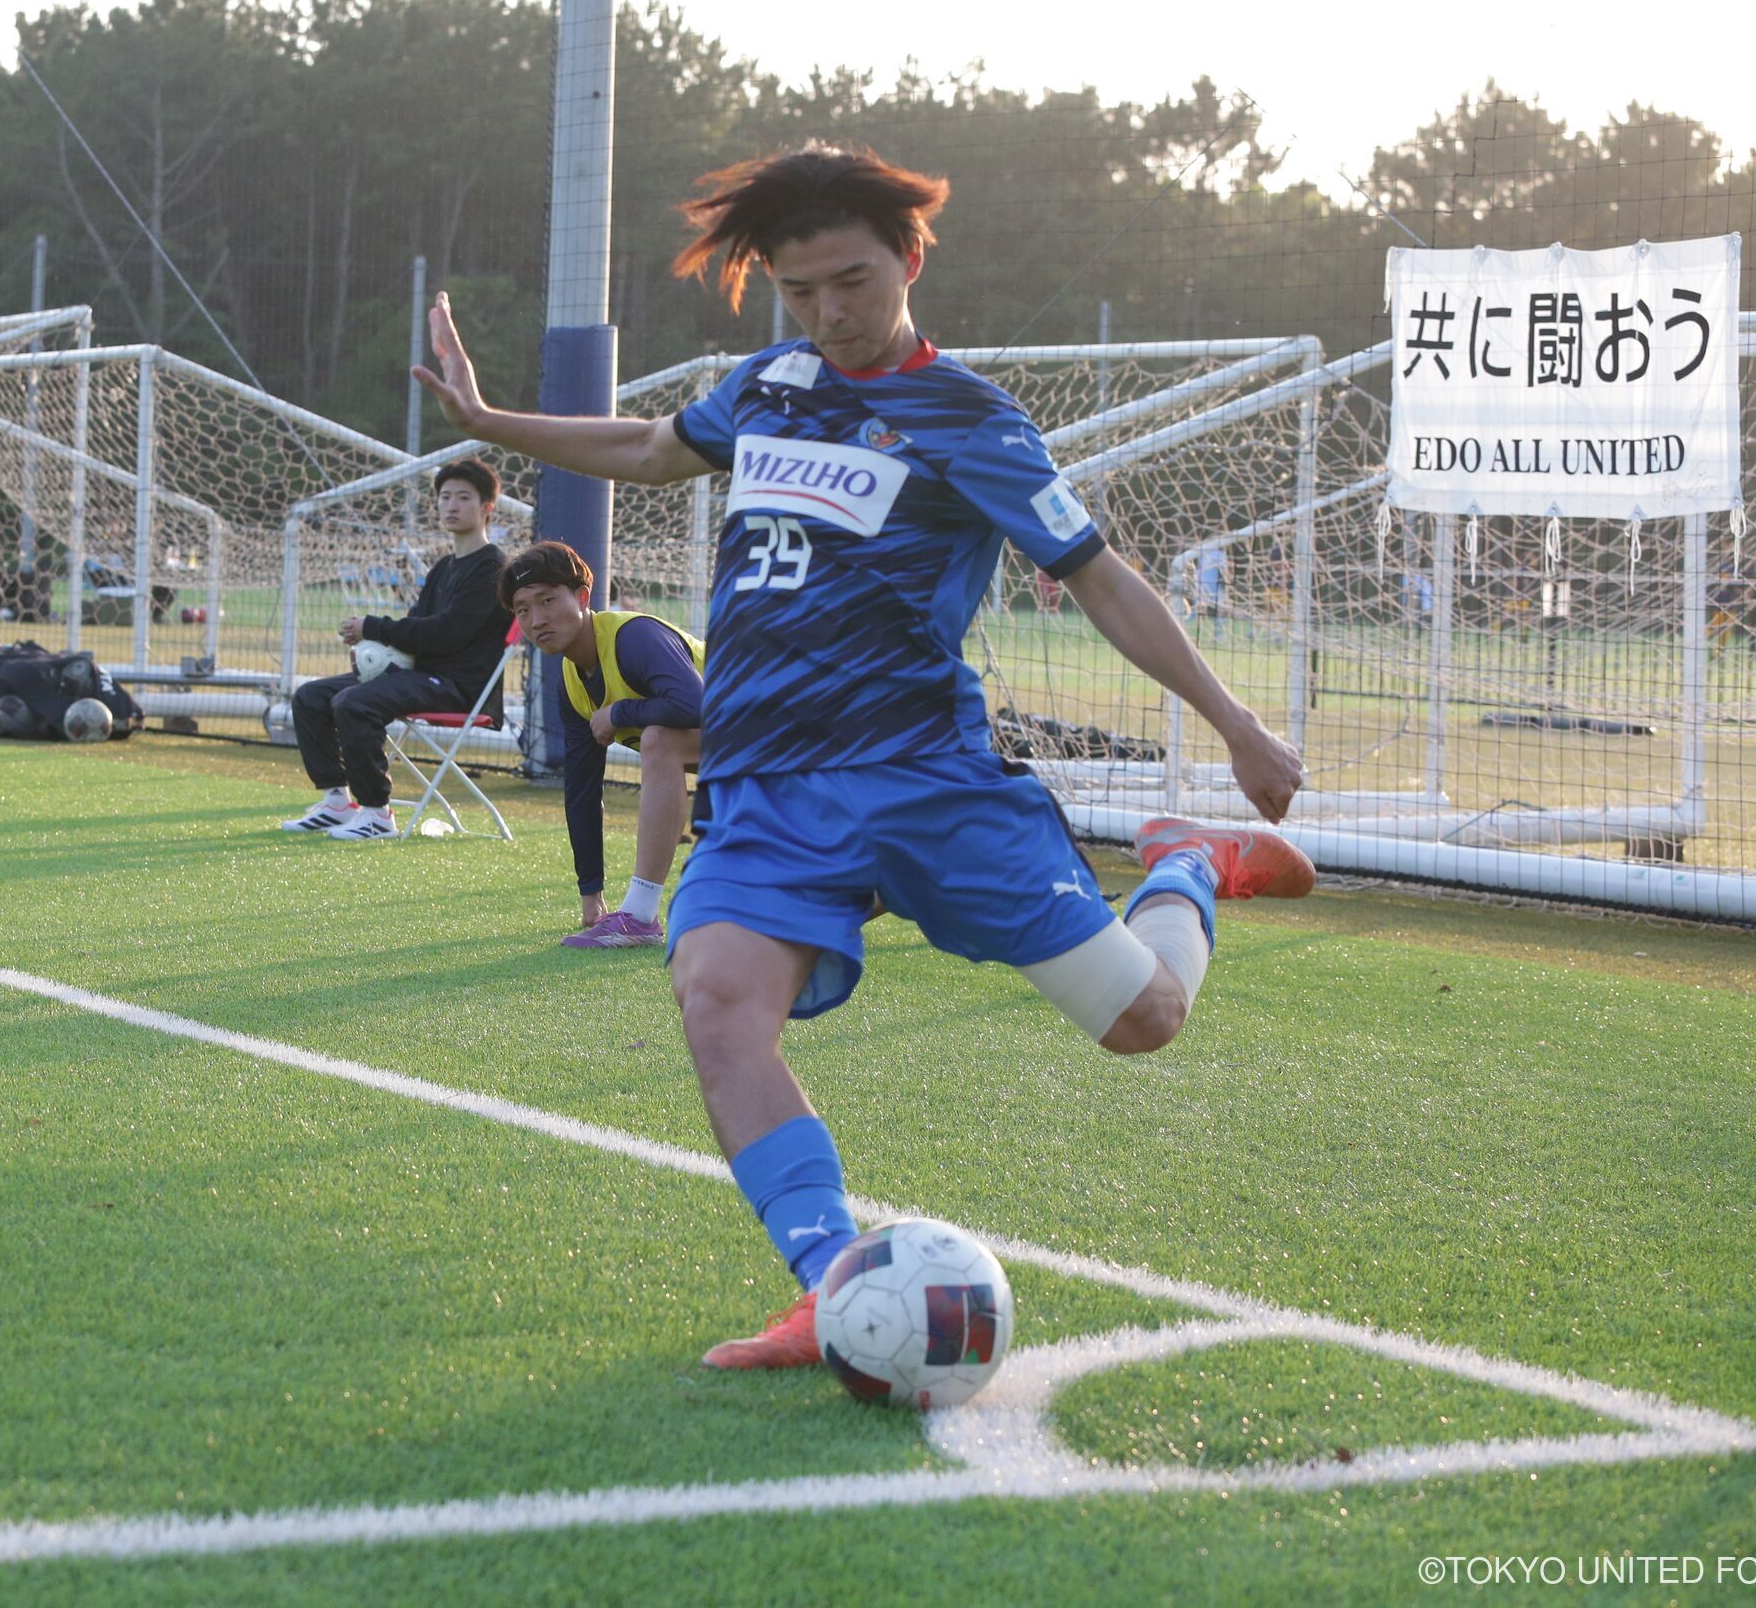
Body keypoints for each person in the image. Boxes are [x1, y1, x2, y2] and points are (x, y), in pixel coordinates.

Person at [412, 141, 1313, 1370]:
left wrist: (1235, 724)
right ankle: (831, 1283)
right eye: (800, 290)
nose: (829, 313)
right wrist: (486, 422)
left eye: (852, 281)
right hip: (771, 788)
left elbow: (1099, 577)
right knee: (716, 998)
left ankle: (1187, 864)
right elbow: (650, 449)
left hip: (923, 781)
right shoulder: (769, 383)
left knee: (1144, 1019)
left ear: (908, 260)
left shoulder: (970, 419)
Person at [279, 463, 509, 842]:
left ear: (487, 507)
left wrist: (372, 627)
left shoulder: (493, 568)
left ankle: (376, 815)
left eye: (463, 497)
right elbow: (418, 624)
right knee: (310, 697)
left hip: (458, 687)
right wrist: (374, 649)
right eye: (445, 497)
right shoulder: (444, 567)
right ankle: (337, 803)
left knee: (354, 703)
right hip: (419, 675)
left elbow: (446, 633)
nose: (451, 505)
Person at [500, 541, 706, 948]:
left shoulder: (634, 637)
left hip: (786, 729)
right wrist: (590, 893)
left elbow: (695, 705)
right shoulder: (572, 681)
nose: (536, 620)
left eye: (547, 600)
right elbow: (582, 788)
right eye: (522, 609)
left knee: (659, 739)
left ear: (582, 597)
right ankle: (634, 915)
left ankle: (640, 916)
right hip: (743, 752)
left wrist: (619, 713)